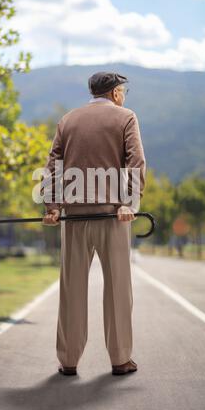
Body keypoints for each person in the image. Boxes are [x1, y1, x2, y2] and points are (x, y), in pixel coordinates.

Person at [41, 71, 146, 375]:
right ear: (115, 93)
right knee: (117, 289)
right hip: (113, 215)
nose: (124, 95)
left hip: (73, 218)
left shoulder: (67, 120)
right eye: (123, 91)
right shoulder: (126, 117)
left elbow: (53, 166)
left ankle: (69, 361)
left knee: (71, 290)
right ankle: (120, 359)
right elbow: (136, 162)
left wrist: (52, 206)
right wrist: (130, 203)